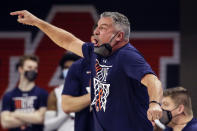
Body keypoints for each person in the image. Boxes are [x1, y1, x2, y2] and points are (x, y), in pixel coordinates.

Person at [11, 10, 163, 131]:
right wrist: (37, 22)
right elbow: (67, 41)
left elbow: (153, 81)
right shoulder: (95, 52)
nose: (96, 31)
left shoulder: (127, 56)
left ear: (119, 36)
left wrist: (155, 103)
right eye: (97, 26)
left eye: (103, 28)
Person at [1, 55, 48, 131]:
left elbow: (41, 119)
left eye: (35, 68)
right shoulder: (8, 96)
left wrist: (15, 114)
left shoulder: (43, 94)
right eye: (29, 67)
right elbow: (5, 123)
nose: (33, 70)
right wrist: (32, 117)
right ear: (20, 69)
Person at [44, 53, 80, 131]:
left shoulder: (88, 92)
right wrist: (67, 112)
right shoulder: (55, 94)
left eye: (72, 67)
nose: (69, 70)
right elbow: (47, 126)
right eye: (65, 68)